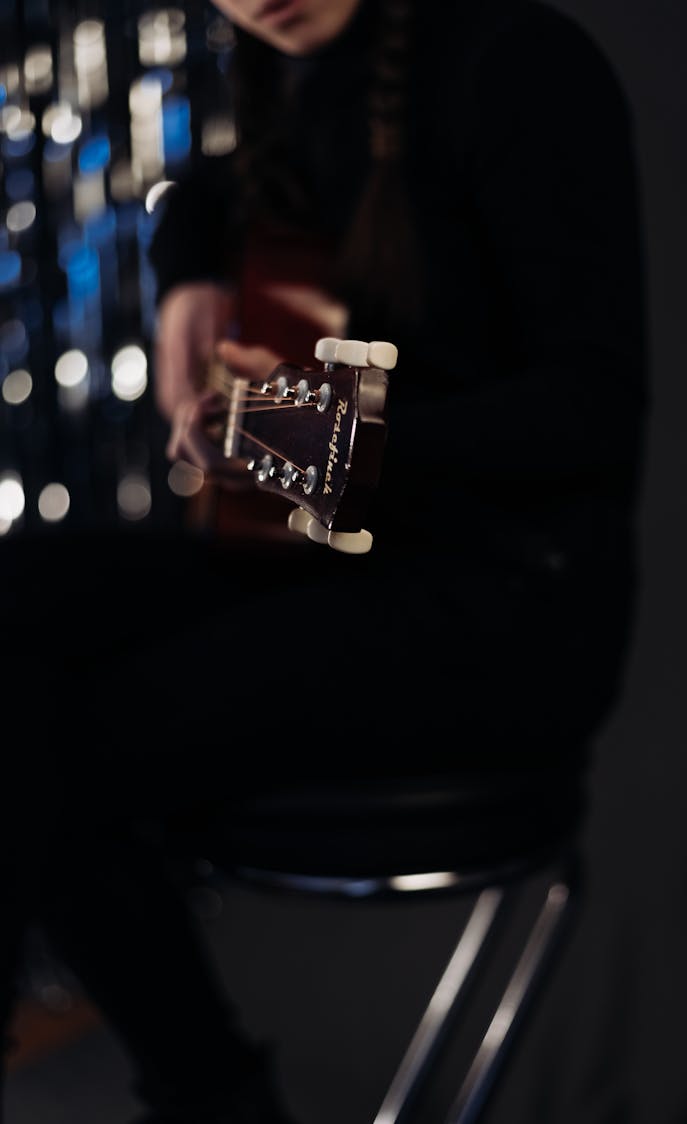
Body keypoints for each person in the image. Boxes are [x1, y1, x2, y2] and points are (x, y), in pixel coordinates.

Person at [0, 1, 648, 1122]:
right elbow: (211, 187)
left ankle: (213, 1098)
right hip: (342, 563)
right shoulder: (303, 81)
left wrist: (327, 434)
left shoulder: (517, 63)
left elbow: (594, 410)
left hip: (507, 616)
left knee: (49, 741)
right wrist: (192, 274)